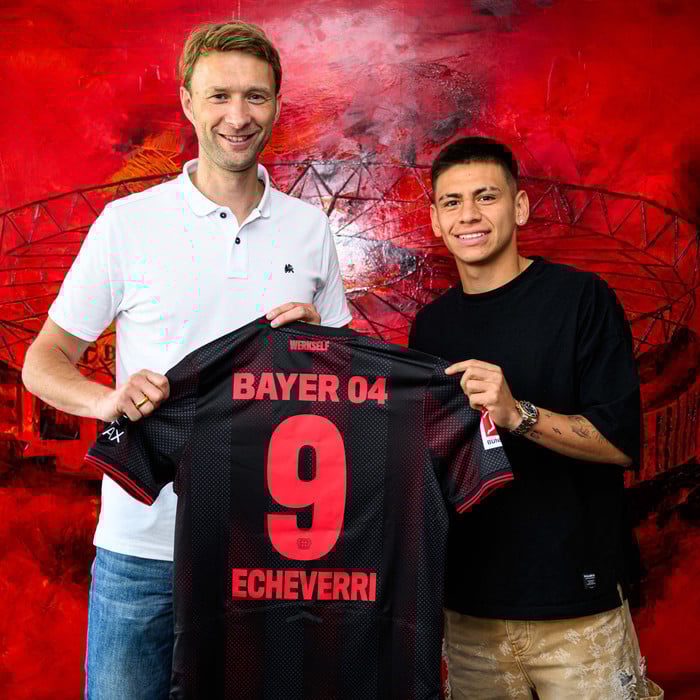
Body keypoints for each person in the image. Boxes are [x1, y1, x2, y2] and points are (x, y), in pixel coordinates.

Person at [21, 20, 351, 700]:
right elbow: (43, 360)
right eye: (220, 95)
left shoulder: (310, 229)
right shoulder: (128, 224)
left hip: (271, 550)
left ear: (277, 105)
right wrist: (105, 401)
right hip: (143, 546)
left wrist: (324, 346)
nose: (238, 116)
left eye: (255, 96)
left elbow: (351, 388)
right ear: (187, 102)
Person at [409, 137, 663, 700]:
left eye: (486, 197)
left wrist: (515, 412)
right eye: (451, 202)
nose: (468, 215)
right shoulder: (430, 326)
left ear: (519, 207)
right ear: (435, 220)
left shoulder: (581, 298)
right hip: (470, 612)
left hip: (577, 607)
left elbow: (620, 443)